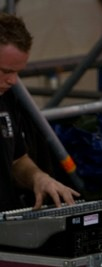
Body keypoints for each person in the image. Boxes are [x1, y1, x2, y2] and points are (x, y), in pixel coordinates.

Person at [0, 13, 79, 211]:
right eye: (5, 71)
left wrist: (38, 177)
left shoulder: (7, 97)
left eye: (17, 72)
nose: (13, 80)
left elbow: (17, 160)